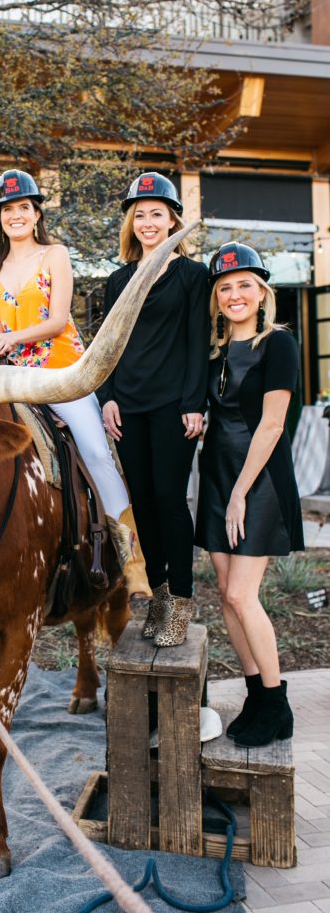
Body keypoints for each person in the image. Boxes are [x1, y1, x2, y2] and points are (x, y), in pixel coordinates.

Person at [0, 168, 151, 597]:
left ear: (37, 213)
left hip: (62, 373)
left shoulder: (54, 254)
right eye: (7, 209)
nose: (15, 215)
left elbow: (57, 320)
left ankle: (133, 564)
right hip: (16, 379)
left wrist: (8, 339)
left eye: (23, 207)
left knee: (95, 452)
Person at [195, 241, 302, 747]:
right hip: (217, 474)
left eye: (244, 286)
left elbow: (273, 424)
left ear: (261, 292)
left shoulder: (278, 343)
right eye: (225, 288)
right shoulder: (214, 350)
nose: (235, 295)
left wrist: (240, 493)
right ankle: (255, 693)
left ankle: (278, 705)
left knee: (243, 593)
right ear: (216, 298)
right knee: (225, 594)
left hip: (256, 481)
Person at [97, 172, 209, 646]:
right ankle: (159, 597)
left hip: (173, 407)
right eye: (139, 215)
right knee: (141, 506)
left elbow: (197, 343)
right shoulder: (117, 280)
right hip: (128, 406)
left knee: (169, 500)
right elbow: (107, 346)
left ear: (172, 221)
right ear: (131, 223)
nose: (147, 222)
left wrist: (193, 404)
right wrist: (107, 399)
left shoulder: (193, 276)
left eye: (156, 214)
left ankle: (180, 602)